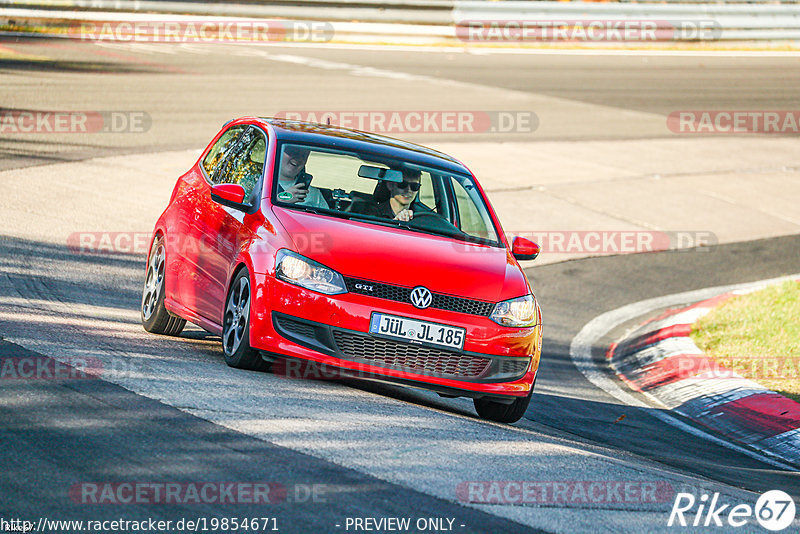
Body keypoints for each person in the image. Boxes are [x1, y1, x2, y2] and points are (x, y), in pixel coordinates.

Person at [356, 169, 422, 221]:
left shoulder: (421, 217)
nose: (408, 190)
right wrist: (395, 222)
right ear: (390, 185)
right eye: (402, 185)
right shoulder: (372, 212)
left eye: (415, 186)